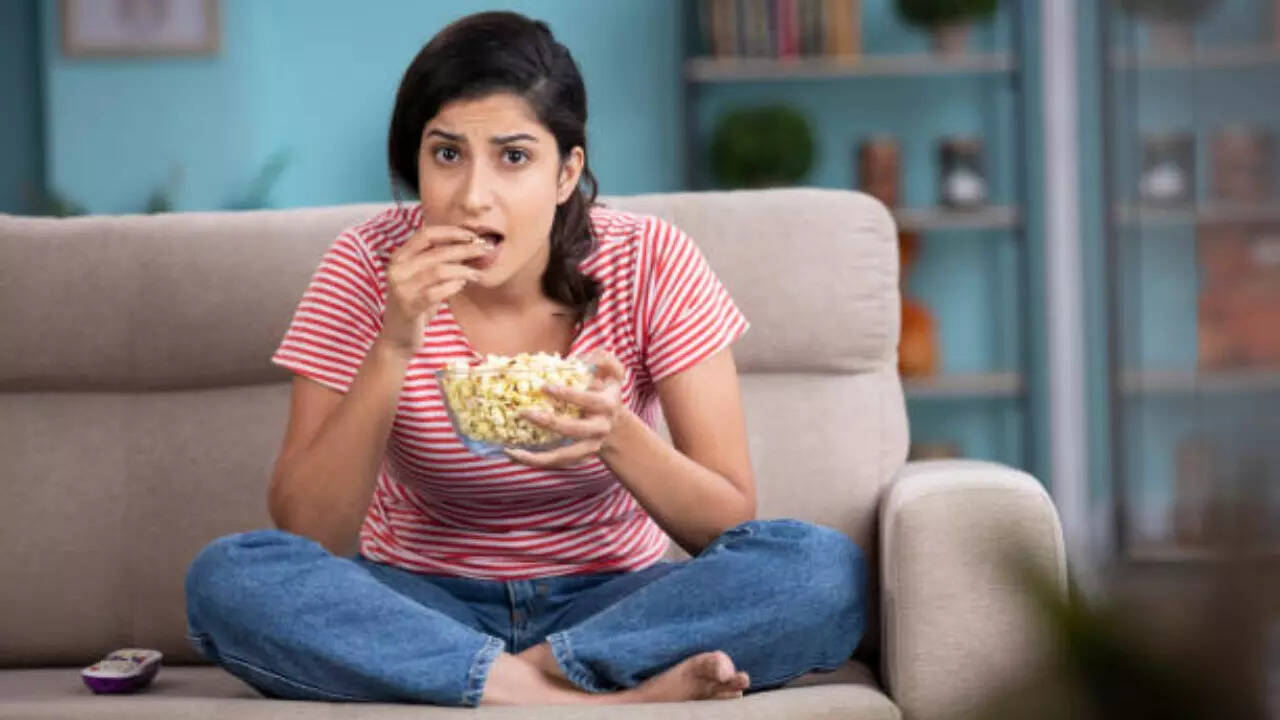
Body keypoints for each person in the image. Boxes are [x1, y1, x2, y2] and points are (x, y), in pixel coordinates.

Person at [183, 10, 866, 708]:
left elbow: (727, 522)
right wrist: (394, 342)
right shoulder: (364, 267)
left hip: (615, 603)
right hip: (416, 604)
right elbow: (311, 533)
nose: (473, 197)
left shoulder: (651, 259)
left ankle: (514, 678)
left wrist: (616, 435)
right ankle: (584, 700)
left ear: (566, 172)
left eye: (513, 157)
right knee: (231, 577)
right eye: (447, 155)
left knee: (820, 570)